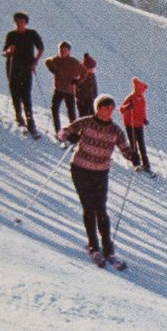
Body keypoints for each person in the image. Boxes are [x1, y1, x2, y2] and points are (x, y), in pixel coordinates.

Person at [58, 94, 138, 264]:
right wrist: (68, 135)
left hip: (100, 172)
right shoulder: (86, 122)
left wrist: (133, 156)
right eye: (106, 107)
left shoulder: (115, 130)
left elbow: (125, 149)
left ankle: (108, 249)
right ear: (98, 108)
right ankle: (93, 246)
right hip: (80, 169)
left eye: (111, 108)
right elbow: (65, 130)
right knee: (89, 207)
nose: (109, 111)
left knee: (101, 209)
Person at [3, 12, 44, 136]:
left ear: (26, 23)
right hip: (13, 68)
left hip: (26, 68)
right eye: (18, 21)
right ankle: (20, 120)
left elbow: (41, 48)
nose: (20, 23)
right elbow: (4, 51)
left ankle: (31, 124)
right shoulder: (11, 35)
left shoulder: (32, 34)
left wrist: (35, 62)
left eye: (22, 21)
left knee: (26, 95)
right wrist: (8, 50)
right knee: (15, 95)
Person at [45, 41, 85, 134]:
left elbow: (84, 72)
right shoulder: (56, 60)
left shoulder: (73, 62)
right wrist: (52, 69)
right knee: (54, 109)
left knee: (71, 112)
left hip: (69, 91)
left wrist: (78, 81)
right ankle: (58, 130)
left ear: (69, 51)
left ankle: (74, 133)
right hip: (58, 89)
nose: (63, 51)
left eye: (65, 50)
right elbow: (47, 61)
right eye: (61, 49)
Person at [120, 78, 152, 172]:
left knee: (142, 144)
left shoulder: (142, 99)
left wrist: (144, 119)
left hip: (139, 124)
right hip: (130, 124)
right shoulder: (130, 98)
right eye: (142, 90)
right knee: (133, 144)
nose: (143, 92)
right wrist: (127, 107)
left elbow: (143, 110)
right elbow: (122, 110)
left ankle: (146, 164)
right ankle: (136, 163)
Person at [75, 53, 99, 118]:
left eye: (93, 68)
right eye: (91, 68)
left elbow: (94, 86)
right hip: (82, 101)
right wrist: (80, 99)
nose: (92, 70)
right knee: (84, 117)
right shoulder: (81, 76)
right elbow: (77, 89)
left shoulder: (92, 75)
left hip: (90, 99)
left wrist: (95, 96)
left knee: (92, 116)